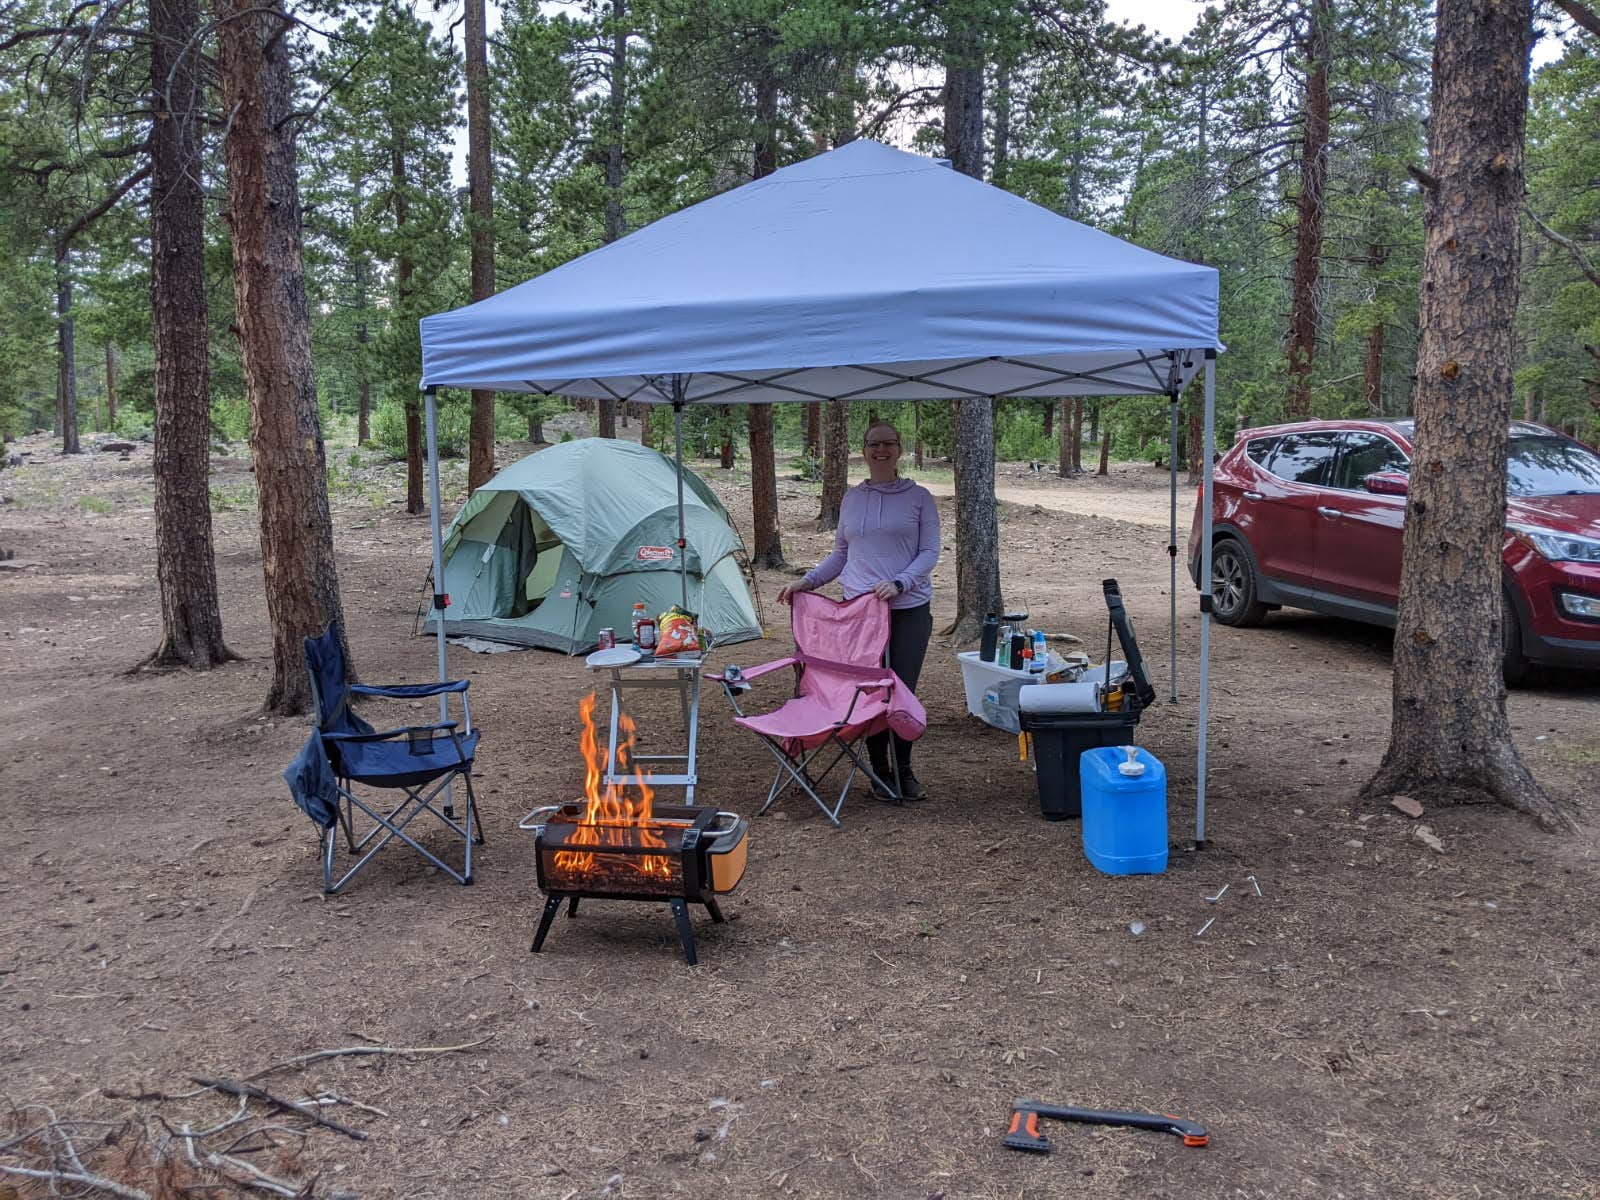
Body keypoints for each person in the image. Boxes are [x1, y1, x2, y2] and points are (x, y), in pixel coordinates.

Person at [778, 419, 940, 800]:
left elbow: (930, 552)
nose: (880, 450)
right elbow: (841, 554)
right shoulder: (852, 499)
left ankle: (904, 770)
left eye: (888, 443)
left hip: (907, 609)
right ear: (864, 451)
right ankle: (879, 772)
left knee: (899, 691)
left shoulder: (920, 497)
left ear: (900, 449)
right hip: (859, 614)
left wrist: (900, 582)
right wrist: (808, 581)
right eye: (873, 444)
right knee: (870, 691)